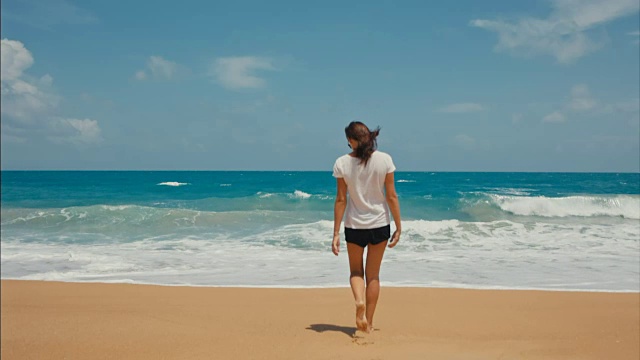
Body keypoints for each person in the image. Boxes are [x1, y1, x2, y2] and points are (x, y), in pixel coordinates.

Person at [332, 121, 401, 334]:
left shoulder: (342, 163)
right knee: (373, 276)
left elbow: (341, 200)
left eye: (348, 140)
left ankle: (359, 300)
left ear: (353, 140)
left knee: (355, 271)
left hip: (354, 225)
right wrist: (398, 225)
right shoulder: (385, 160)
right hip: (380, 224)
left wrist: (335, 233)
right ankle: (368, 325)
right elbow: (391, 195)